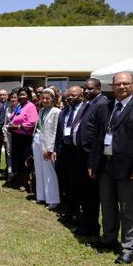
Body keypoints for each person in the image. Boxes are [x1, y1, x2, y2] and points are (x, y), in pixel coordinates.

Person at [89, 72, 133, 264]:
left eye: (126, 83)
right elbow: (98, 137)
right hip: (106, 166)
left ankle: (129, 248)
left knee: (128, 209)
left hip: (130, 169)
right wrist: (93, 164)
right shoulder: (106, 107)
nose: (121, 87)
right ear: (112, 85)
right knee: (108, 205)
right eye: (117, 84)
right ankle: (109, 239)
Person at [71, 78, 109, 237]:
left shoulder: (102, 104)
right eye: (85, 89)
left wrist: (93, 162)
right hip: (82, 154)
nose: (86, 92)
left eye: (90, 89)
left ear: (99, 88)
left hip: (91, 157)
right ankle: (86, 222)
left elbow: (100, 135)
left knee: (91, 195)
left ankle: (91, 227)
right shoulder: (90, 103)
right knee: (84, 193)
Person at [54, 86, 85, 226]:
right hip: (64, 151)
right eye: (68, 95)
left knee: (76, 184)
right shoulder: (64, 112)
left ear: (81, 95)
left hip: (78, 152)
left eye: (73, 95)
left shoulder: (86, 110)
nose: (70, 97)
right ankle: (68, 208)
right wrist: (55, 149)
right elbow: (58, 133)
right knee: (65, 181)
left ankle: (76, 212)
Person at [32, 89, 61, 209]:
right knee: (39, 169)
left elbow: (55, 131)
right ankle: (41, 196)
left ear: (53, 99)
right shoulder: (42, 110)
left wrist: (50, 148)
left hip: (47, 143)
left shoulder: (56, 112)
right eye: (43, 98)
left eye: (47, 98)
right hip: (37, 139)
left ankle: (53, 199)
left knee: (49, 170)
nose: (44, 100)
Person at [7, 87, 38, 192]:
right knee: (18, 159)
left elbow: (32, 122)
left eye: (24, 94)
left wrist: (18, 127)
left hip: (25, 137)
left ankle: (25, 184)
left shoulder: (31, 106)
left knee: (25, 160)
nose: (21, 96)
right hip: (16, 136)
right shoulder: (20, 105)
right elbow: (13, 117)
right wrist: (11, 124)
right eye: (20, 95)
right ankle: (19, 181)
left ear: (28, 95)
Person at [2, 91, 18, 179]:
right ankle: (9, 172)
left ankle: (17, 173)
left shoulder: (20, 108)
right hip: (8, 133)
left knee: (16, 153)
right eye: (11, 97)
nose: (13, 99)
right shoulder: (8, 108)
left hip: (18, 134)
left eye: (15, 97)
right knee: (8, 153)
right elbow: (5, 122)